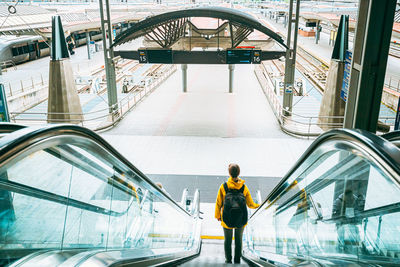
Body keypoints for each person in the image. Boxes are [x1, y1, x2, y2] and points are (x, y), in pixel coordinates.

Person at [215, 163, 260, 264]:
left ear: (229, 173)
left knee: (228, 240)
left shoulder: (223, 187)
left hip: (226, 218)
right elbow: (250, 204)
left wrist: (218, 215)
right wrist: (258, 205)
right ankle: (237, 260)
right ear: (239, 173)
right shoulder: (244, 187)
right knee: (239, 240)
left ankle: (228, 259)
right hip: (241, 218)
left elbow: (218, 203)